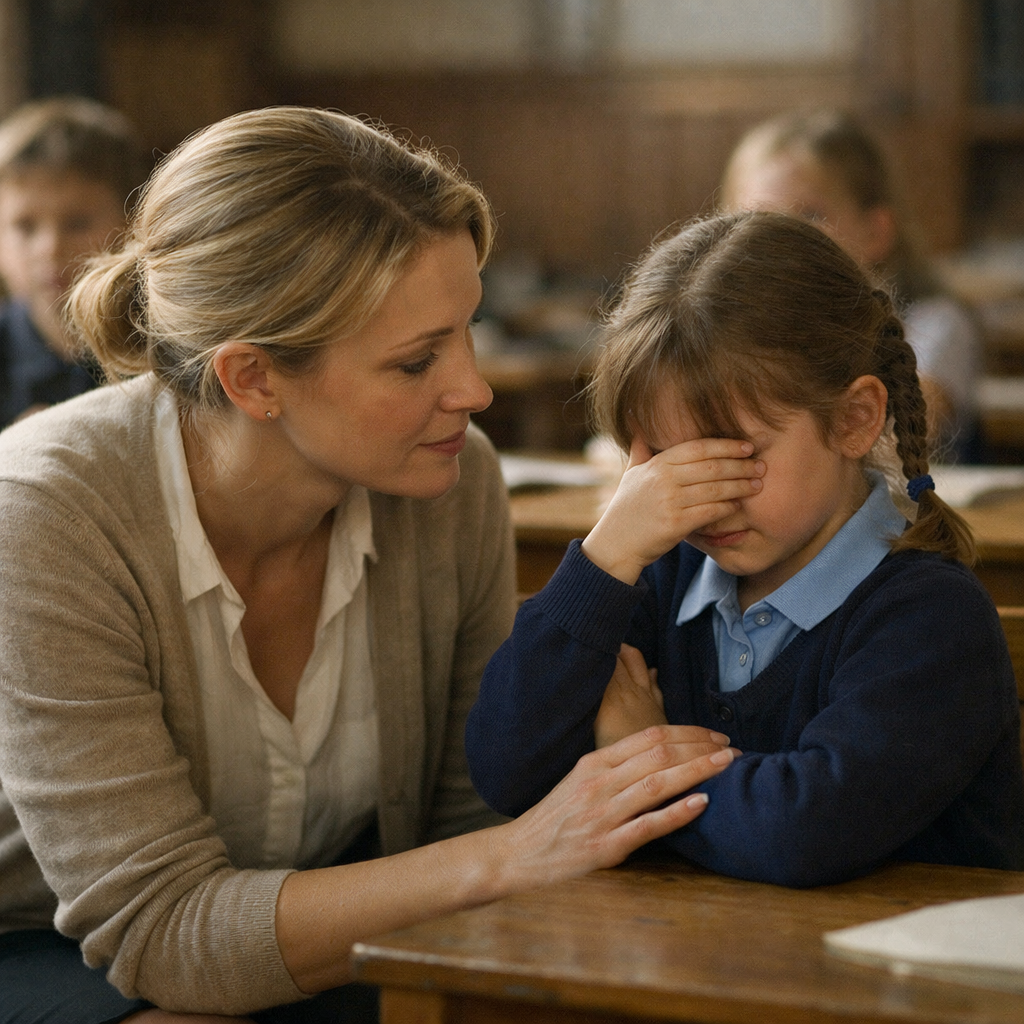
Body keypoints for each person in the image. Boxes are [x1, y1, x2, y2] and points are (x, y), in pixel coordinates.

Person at [0, 106, 737, 1024]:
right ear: (253, 379)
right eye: (416, 361)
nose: (472, 391)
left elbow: (476, 813)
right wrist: (518, 854)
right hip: (50, 949)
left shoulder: (453, 481)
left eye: (467, 331)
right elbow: (163, 933)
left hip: (325, 931)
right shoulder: (44, 511)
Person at [466, 211, 1024, 889]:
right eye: (667, 460)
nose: (704, 498)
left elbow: (804, 830)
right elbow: (506, 767)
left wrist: (643, 762)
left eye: (732, 457)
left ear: (853, 420)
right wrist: (605, 553)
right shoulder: (653, 577)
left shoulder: (930, 619)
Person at [719, 109, 982, 462]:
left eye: (811, 216)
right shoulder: (730, 332)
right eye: (757, 219)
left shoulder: (936, 322)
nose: (783, 239)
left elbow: (898, 439)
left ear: (876, 231)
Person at [0, 95, 149, 427]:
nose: (51, 248)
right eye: (25, 226)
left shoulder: (159, 349)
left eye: (77, 223)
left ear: (131, 226)